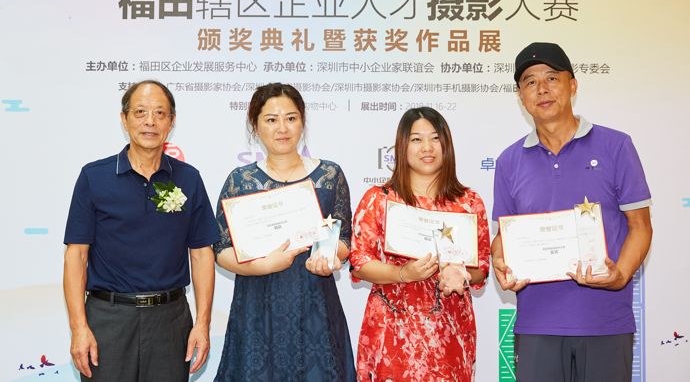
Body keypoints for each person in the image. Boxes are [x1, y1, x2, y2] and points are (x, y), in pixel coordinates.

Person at [491, 42, 653, 382]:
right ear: (520, 96)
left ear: (573, 85)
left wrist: (621, 275)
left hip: (606, 321)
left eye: (552, 77)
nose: (542, 89)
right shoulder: (509, 161)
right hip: (537, 324)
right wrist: (499, 260)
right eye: (530, 82)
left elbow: (640, 227)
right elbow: (504, 235)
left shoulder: (616, 146)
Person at [63, 80, 219, 381]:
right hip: (108, 319)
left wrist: (202, 324)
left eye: (160, 113)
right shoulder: (94, 177)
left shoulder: (188, 179)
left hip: (170, 320)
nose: (150, 121)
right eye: (140, 112)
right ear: (124, 119)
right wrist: (78, 327)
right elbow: (76, 256)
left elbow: (202, 255)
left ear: (171, 122)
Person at [213, 83, 356, 381]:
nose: (282, 128)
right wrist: (264, 265)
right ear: (255, 125)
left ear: (302, 121)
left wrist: (330, 257)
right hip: (257, 304)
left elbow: (344, 239)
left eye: (291, 118)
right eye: (271, 119)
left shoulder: (329, 175)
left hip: (314, 303)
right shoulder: (241, 181)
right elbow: (221, 250)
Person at [349, 107, 490, 382]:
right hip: (392, 332)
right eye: (416, 139)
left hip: (448, 332)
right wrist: (403, 273)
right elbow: (360, 262)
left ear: (447, 144)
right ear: (402, 146)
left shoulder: (469, 203)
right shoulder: (379, 199)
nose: (427, 147)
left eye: (435, 138)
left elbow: (481, 268)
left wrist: (460, 274)